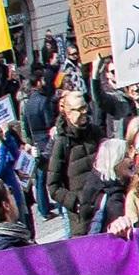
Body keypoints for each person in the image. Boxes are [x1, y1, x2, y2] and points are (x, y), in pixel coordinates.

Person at [44, 87, 104, 237]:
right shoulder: (62, 142)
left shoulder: (96, 132)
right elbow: (53, 186)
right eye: (78, 109)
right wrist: (76, 203)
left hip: (103, 206)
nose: (84, 112)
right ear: (68, 113)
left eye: (84, 107)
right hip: (81, 220)